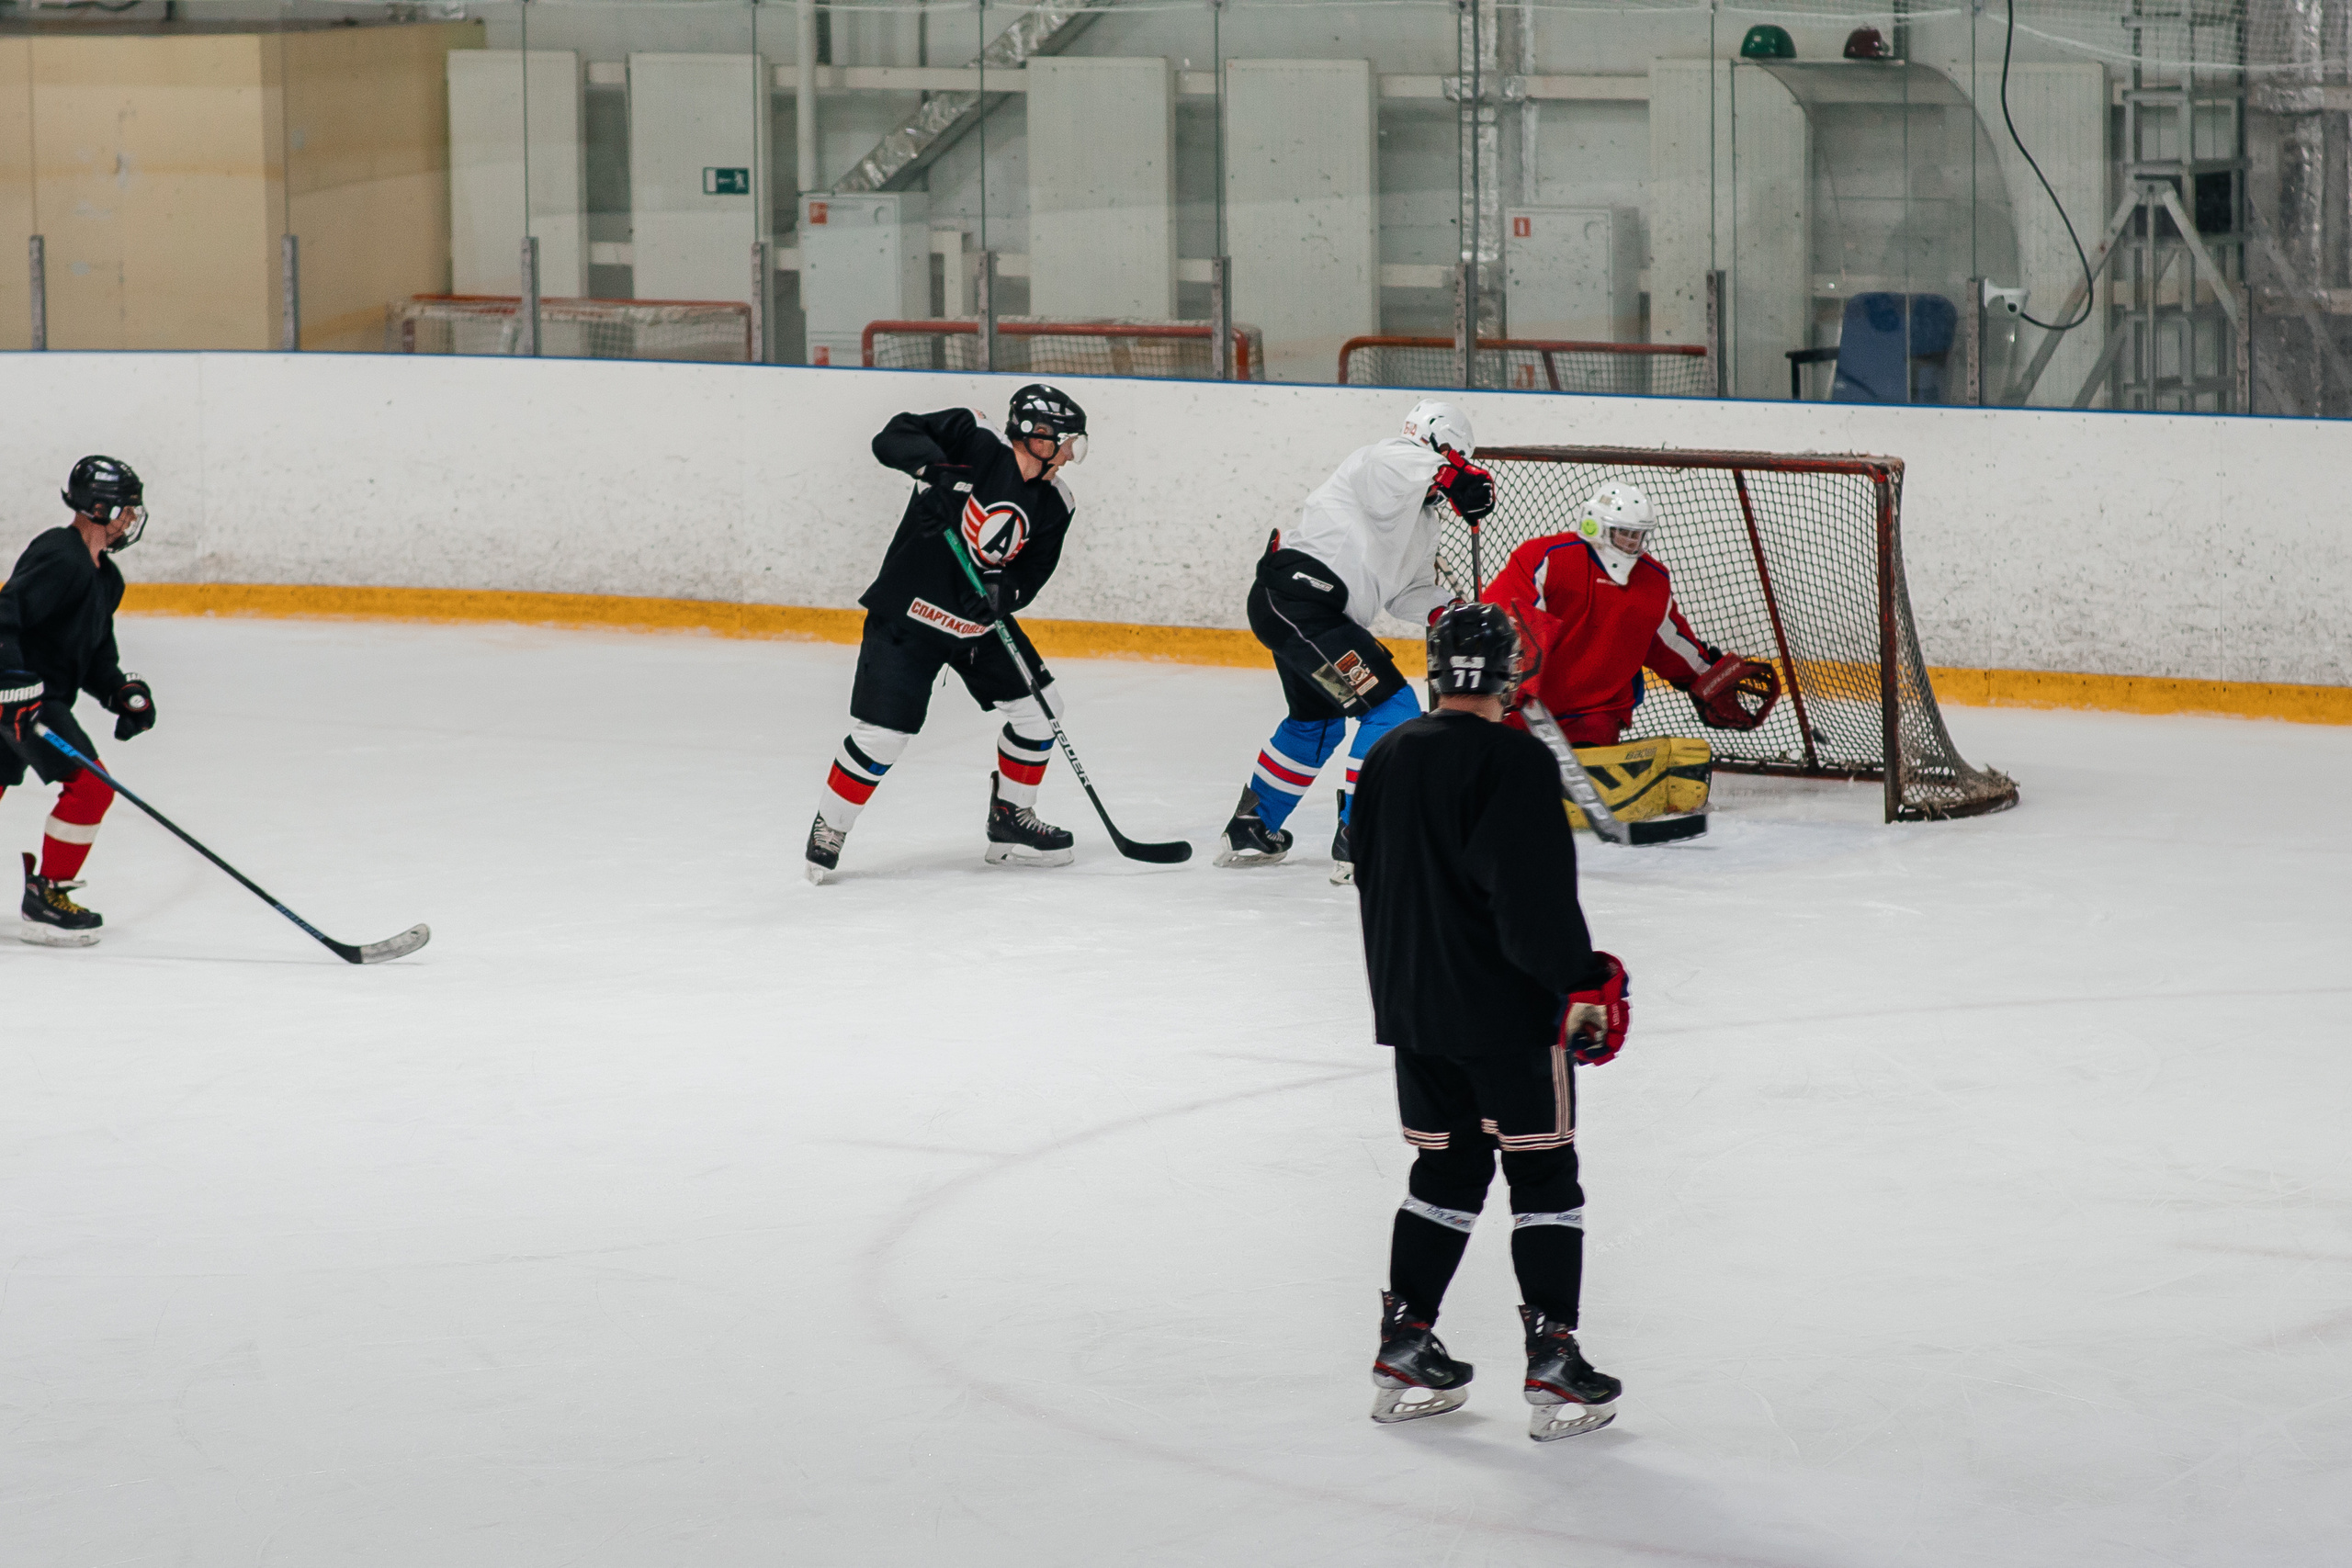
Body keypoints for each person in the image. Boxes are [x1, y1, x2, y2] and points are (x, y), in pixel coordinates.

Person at [1348, 601, 1630, 1442]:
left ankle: (1406, 1340)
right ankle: (1555, 1359)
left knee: (1446, 1169)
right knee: (1543, 1173)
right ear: (1511, 674)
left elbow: (1366, 873)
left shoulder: (1389, 752)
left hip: (1412, 1009)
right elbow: (1531, 904)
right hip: (1505, 1015)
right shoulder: (1516, 759)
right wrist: (1585, 980)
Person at [805, 385, 1087, 884]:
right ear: (1037, 436)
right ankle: (832, 826)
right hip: (908, 616)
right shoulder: (972, 439)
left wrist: (1005, 592)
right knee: (883, 736)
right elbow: (892, 437)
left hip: (975, 629)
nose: (1069, 455)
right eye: (1065, 442)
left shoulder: (1056, 503)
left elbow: (1031, 575)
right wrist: (933, 472)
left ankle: (1010, 821)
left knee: (1042, 712)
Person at [1215, 400, 1494, 884]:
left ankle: (1252, 828)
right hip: (1303, 603)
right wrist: (1453, 475)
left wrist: (1451, 608)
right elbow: (1402, 464)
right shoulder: (1383, 460)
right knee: (1391, 709)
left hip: (1300, 610)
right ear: (1439, 445)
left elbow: (1406, 592)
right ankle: (1361, 837)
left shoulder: (1423, 520)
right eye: (1450, 460)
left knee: (1316, 723)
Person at [1481, 480, 1780, 749]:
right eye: (1623, 533)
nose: (1631, 543)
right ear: (1593, 525)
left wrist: (1706, 674)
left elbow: (1669, 643)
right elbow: (1508, 618)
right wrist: (1514, 688)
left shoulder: (1652, 580)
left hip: (1594, 716)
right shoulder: (1548, 557)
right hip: (1523, 710)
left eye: (1637, 536)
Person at [0, 456, 155, 946]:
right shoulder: (60, 553)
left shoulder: (106, 579)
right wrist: (10, 682)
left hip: (30, 701)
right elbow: (5, 614)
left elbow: (95, 656)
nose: (133, 518)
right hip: (23, 699)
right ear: (100, 507)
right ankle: (47, 895)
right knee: (92, 787)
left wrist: (120, 690)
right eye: (127, 508)